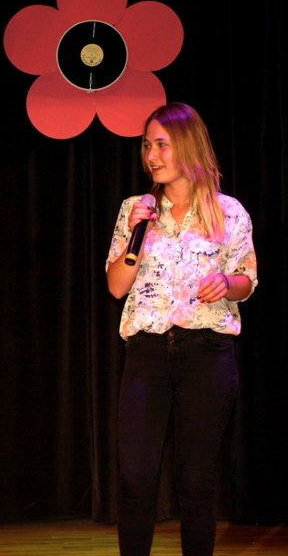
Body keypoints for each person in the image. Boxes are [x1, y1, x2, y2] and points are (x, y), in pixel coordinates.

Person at [105, 102, 257, 556]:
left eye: (161, 145)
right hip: (147, 354)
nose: (151, 155)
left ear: (188, 146)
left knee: (194, 480)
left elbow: (247, 279)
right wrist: (136, 235)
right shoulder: (135, 210)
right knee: (135, 478)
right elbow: (116, 287)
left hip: (206, 354)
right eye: (146, 146)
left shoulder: (229, 213)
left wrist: (226, 283)